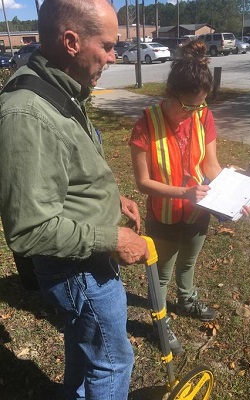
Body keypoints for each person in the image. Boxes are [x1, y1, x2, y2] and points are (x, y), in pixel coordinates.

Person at [0, 1, 149, 399]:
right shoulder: (27, 114)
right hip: (77, 272)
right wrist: (114, 239)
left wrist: (112, 198)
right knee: (113, 361)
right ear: (71, 41)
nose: (114, 57)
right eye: (108, 46)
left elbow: (69, 166)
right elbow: (29, 230)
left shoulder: (60, 87)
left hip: (85, 261)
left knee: (86, 348)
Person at [130, 40, 250, 354]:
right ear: (169, 93)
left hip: (199, 212)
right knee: (162, 273)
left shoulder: (203, 115)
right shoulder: (146, 124)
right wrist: (184, 192)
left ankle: (187, 299)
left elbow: (210, 165)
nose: (193, 113)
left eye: (200, 105)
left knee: (188, 264)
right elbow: (143, 183)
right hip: (165, 215)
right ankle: (160, 322)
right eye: (187, 106)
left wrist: (234, 197)